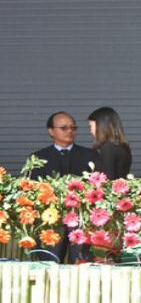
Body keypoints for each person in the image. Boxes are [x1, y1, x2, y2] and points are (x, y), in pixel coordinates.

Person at [30, 111, 97, 263]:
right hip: (50, 221)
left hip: (81, 220)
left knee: (82, 264)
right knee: (49, 264)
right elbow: (31, 189)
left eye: (73, 128)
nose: (69, 131)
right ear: (51, 131)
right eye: (64, 128)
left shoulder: (90, 155)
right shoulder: (38, 157)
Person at [87, 107, 132, 179]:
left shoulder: (108, 148)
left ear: (100, 126)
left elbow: (107, 179)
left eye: (91, 126)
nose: (90, 130)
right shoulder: (122, 146)